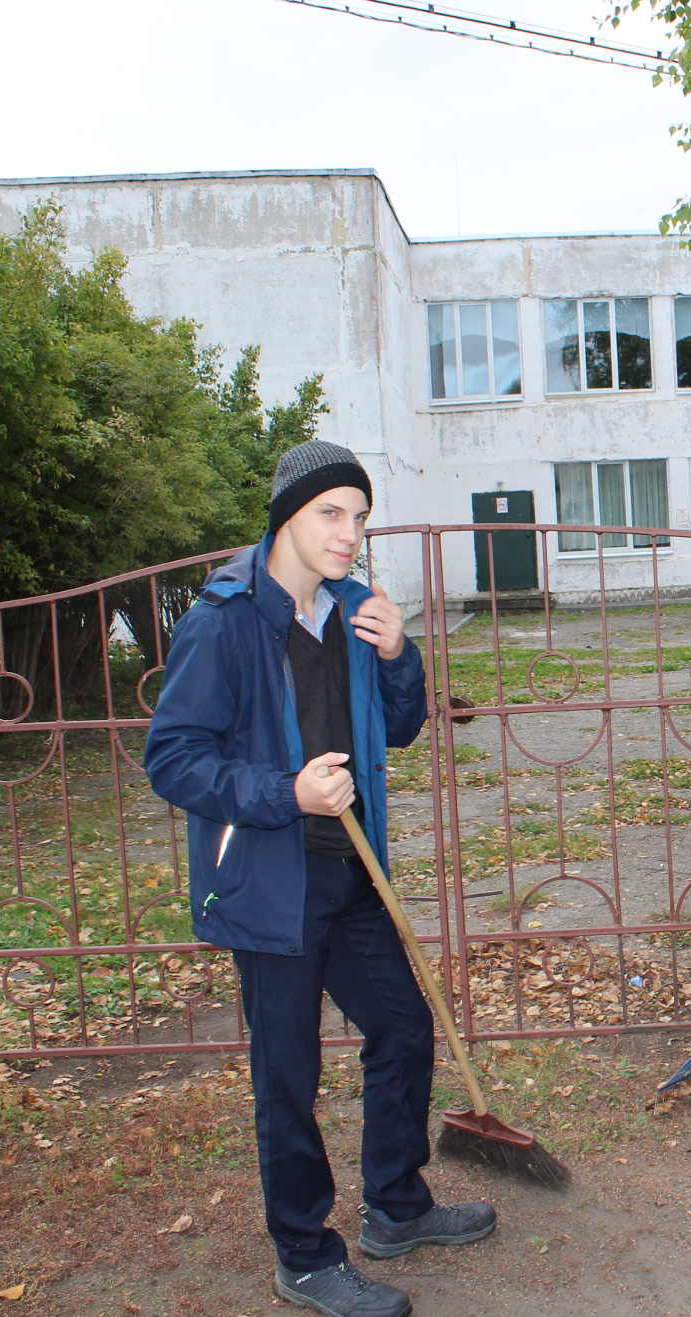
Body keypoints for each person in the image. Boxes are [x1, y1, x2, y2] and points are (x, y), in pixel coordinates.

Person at [145, 440, 494, 1317]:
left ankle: (396, 1206)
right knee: (289, 1076)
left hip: (350, 869)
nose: (351, 533)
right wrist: (286, 791)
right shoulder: (223, 620)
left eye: (360, 516)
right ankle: (304, 1254)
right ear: (285, 518)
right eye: (331, 514)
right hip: (267, 884)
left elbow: (404, 726)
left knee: (404, 1029)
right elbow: (173, 759)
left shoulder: (351, 610)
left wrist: (399, 654)